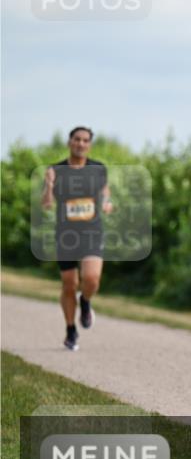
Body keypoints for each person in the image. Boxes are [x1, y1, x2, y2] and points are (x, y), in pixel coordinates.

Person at [40, 126, 112, 351]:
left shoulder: (98, 169)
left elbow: (105, 192)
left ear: (89, 145)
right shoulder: (57, 170)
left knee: (91, 279)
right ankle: (71, 330)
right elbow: (46, 204)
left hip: (92, 232)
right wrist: (50, 184)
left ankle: (86, 301)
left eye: (85, 140)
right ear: (69, 142)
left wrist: (107, 203)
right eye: (77, 139)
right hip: (66, 235)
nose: (81, 143)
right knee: (69, 284)